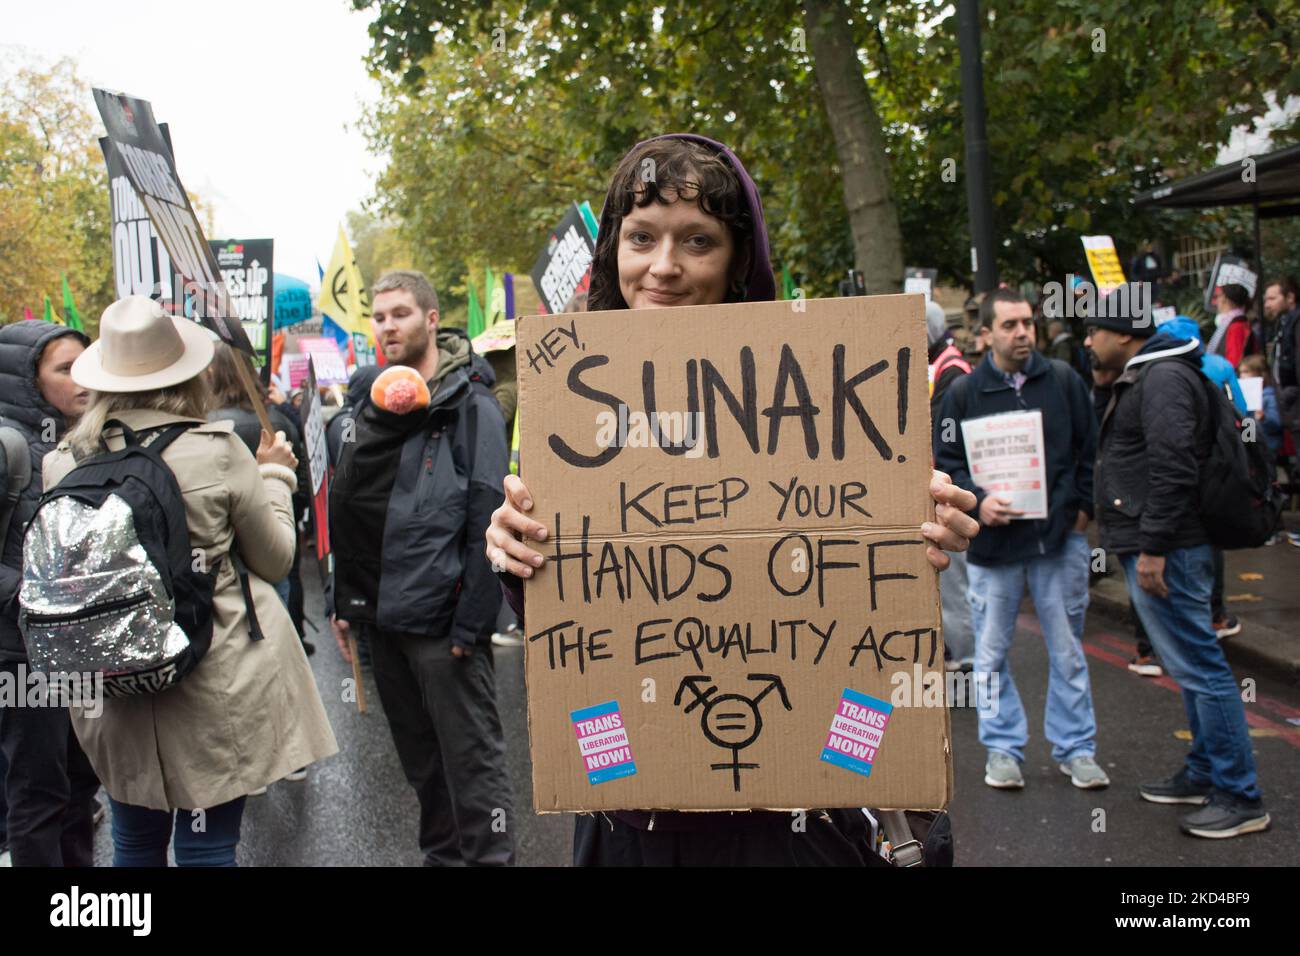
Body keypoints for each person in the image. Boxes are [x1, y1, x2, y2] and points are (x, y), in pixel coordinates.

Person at [485, 133, 980, 866]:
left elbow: (876, 625)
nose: (663, 267)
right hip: (633, 820)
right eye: (641, 237)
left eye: (698, 241)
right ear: (612, 250)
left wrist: (917, 530)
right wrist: (515, 554)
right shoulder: (573, 408)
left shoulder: (820, 393)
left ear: (738, 259)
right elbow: (578, 627)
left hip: (791, 819)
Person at [44, 296, 338, 866]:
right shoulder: (217, 450)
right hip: (214, 673)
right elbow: (276, 559)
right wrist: (275, 474)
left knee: (133, 842)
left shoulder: (63, 461)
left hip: (114, 679)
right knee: (208, 845)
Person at [329, 269, 515, 867]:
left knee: (473, 775)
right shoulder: (366, 406)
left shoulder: (470, 404)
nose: (388, 326)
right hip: (380, 622)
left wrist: (472, 621)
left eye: (401, 314)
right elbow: (350, 507)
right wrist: (343, 599)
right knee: (425, 776)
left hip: (442, 627)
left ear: (431, 320)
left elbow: (486, 507)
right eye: (379, 317)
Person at [1086, 302, 1271, 839]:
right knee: (1190, 668)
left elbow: (1173, 465)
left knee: (1202, 669)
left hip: (1173, 547)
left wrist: (1155, 547)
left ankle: (1241, 795)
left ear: (1122, 333)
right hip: (1166, 541)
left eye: (1095, 329)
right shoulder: (1151, 372)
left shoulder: (1163, 377)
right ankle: (1206, 771)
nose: (1089, 338)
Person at [935, 287, 1108, 792]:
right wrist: (979, 499)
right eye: (1010, 325)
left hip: (1058, 544)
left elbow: (1089, 450)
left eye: (1028, 323)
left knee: (1068, 652)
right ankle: (1003, 750)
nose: (1023, 333)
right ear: (985, 333)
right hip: (995, 550)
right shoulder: (962, 395)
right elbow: (946, 466)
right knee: (989, 656)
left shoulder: (1062, 380)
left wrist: (1082, 511)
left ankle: (1077, 750)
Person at [0, 319, 101, 866]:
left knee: (81, 789)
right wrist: (40, 597)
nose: (82, 380)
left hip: (80, 648)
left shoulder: (85, 445)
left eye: (87, 364)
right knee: (38, 794)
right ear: (26, 379)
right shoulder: (7, 446)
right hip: (21, 656)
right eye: (65, 369)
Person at [207, 343, 314, 654]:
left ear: (211, 375)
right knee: (285, 585)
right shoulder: (276, 420)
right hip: (278, 530)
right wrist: (293, 511)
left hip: (230, 545)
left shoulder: (206, 425)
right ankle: (292, 645)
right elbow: (302, 481)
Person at [1154, 315, 1246, 639]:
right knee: (1212, 543)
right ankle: (1216, 614)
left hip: (1178, 472)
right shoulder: (1219, 365)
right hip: (1217, 469)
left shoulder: (1162, 373)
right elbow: (1243, 411)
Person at [928, 301, 975, 671]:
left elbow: (945, 439)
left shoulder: (952, 371)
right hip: (944, 486)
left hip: (947, 490)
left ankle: (967, 657)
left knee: (955, 583)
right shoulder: (944, 365)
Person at [1207, 283, 1258, 369]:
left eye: (1218, 296)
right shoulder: (1230, 323)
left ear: (1226, 299)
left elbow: (1233, 361)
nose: (1216, 302)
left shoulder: (1237, 326)